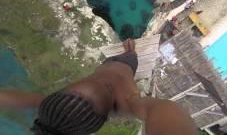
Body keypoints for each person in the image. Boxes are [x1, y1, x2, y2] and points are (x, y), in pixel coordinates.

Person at [0, 39, 197, 135]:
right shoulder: (128, 104)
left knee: (124, 52)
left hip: (109, 62)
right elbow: (165, 110)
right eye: (108, 90)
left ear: (62, 92)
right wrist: (131, 56)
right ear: (107, 113)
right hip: (128, 65)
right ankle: (131, 52)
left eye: (92, 81)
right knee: (131, 55)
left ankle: (128, 51)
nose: (106, 83)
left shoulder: (58, 107)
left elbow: (13, 99)